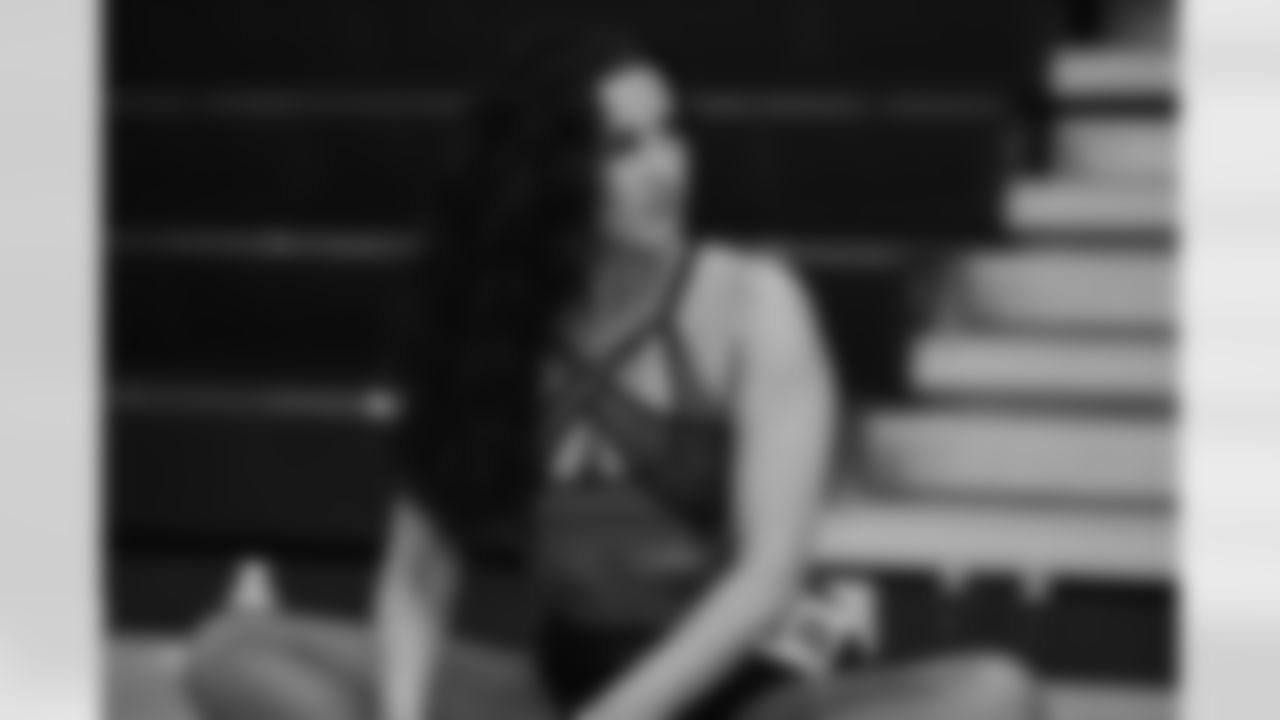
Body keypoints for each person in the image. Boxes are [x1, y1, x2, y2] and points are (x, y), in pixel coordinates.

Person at [183, 24, 1037, 720]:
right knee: (233, 653)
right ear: (549, 174)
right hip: (558, 693)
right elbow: (417, 576)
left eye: (671, 132)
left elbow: (766, 579)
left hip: (748, 699)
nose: (667, 169)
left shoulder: (757, 306)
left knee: (995, 696)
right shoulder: (491, 323)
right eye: (623, 147)